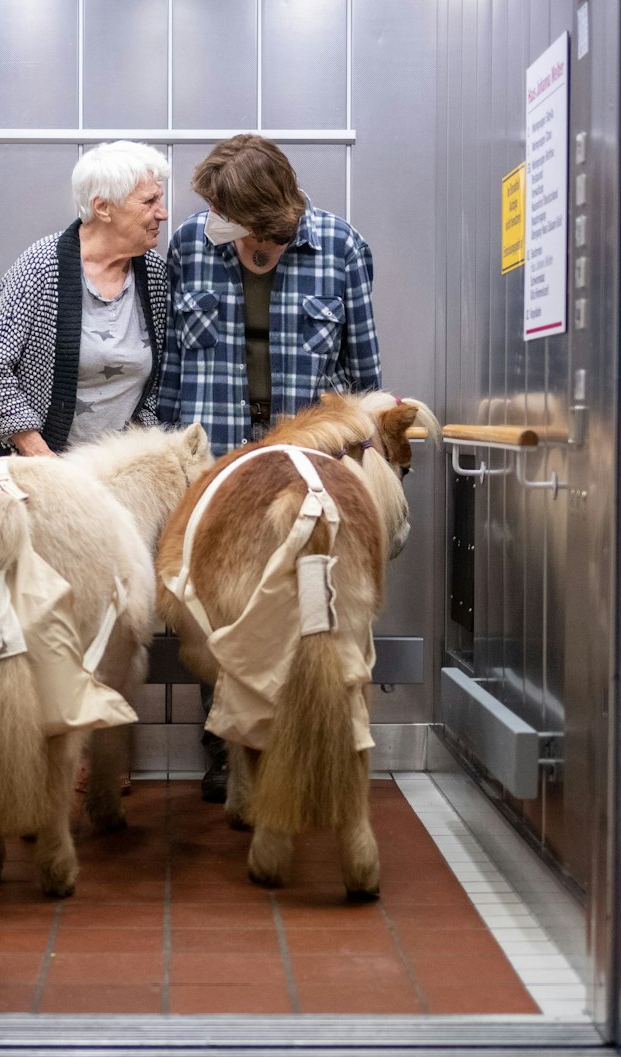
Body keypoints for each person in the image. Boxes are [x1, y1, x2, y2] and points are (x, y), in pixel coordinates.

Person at [158, 133, 385, 801]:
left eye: (250, 229)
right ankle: (229, 747)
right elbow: (171, 370)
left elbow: (365, 378)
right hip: (220, 468)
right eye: (228, 226)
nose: (234, 238)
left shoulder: (342, 250)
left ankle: (300, 743)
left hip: (305, 468)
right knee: (222, 612)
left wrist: (368, 471)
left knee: (303, 607)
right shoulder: (193, 247)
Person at [0, 141, 173, 459]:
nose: (163, 212)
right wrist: (41, 457)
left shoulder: (155, 275)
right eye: (149, 201)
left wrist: (132, 450)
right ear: (103, 208)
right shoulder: (41, 267)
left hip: (102, 475)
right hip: (22, 464)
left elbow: (158, 380)